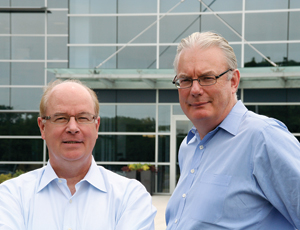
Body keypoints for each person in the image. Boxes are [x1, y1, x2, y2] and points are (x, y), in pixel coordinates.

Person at [165, 31, 300, 229]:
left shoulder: (263, 137)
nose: (195, 90)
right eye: (185, 80)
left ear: (234, 81)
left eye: (207, 77)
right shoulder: (188, 146)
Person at [0, 79, 156, 230]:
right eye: (61, 118)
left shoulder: (131, 197)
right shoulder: (11, 196)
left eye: (83, 118)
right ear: (42, 127)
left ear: (96, 126)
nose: (73, 128)